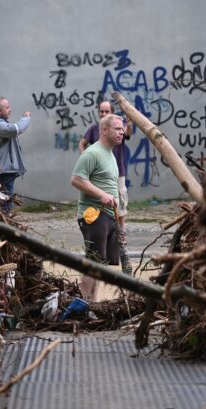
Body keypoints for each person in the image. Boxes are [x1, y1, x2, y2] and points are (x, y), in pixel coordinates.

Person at [71, 114, 125, 301]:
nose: (122, 132)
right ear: (104, 130)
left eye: (122, 128)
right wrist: (101, 195)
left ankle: (93, 303)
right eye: (118, 129)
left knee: (102, 265)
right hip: (94, 215)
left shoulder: (110, 153)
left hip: (110, 216)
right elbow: (76, 180)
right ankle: (85, 303)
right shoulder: (92, 153)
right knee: (93, 262)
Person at [79, 101, 132, 228]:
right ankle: (103, 227)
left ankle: (121, 231)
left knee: (120, 201)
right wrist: (85, 158)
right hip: (99, 172)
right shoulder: (94, 129)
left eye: (107, 111)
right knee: (100, 199)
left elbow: (127, 133)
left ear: (112, 113)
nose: (103, 114)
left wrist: (129, 124)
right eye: (101, 111)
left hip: (118, 170)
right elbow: (82, 143)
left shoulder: (118, 127)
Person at [0, 96, 31, 211]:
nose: (10, 109)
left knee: (1, 201)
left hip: (2, 169)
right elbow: (15, 130)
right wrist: (26, 118)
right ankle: (1, 227)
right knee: (5, 204)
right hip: (2, 170)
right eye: (7, 107)